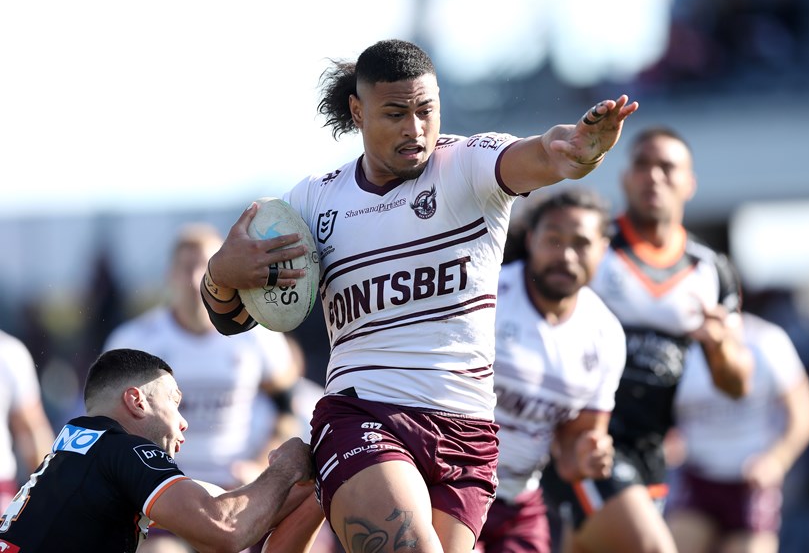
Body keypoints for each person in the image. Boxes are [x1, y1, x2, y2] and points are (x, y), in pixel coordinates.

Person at [200, 38, 638, 553]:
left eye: (426, 110)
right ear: (358, 112)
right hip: (364, 414)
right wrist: (220, 274)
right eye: (395, 114)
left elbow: (541, 154)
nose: (415, 129)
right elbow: (233, 318)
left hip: (468, 433)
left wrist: (570, 152)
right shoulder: (314, 201)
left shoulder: (468, 167)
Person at [541, 125, 754, 553]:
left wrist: (718, 347)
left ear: (689, 182)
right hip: (585, 440)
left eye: (667, 167)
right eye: (642, 164)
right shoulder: (591, 247)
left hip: (652, 447)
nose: (653, 176)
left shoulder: (712, 270)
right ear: (625, 177)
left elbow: (737, 385)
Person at [103, 223, 323, 552]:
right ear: (169, 275)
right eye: (186, 268)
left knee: (313, 497)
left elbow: (287, 409)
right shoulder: (134, 341)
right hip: (165, 493)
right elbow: (110, 428)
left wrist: (262, 463)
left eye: (205, 268)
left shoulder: (257, 336)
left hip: (239, 487)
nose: (194, 280)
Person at [0, 348, 317, 553]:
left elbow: (240, 511)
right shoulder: (123, 449)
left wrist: (318, 480)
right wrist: (287, 467)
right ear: (137, 401)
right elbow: (225, 529)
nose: (184, 423)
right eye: (176, 403)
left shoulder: (78, 450)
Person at [474, 188, 626, 553]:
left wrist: (591, 453)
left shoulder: (606, 335)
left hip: (518, 501)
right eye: (554, 240)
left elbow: (575, 454)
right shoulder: (486, 295)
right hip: (447, 486)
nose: (566, 256)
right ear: (531, 239)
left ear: (603, 249)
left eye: (581, 243)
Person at [665, 312, 809, 553]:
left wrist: (777, 460)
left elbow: (804, 411)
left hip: (750, 485)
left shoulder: (767, 341)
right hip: (697, 478)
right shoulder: (679, 345)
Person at [0, 329, 54, 512]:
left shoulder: (8, 351)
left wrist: (46, 495)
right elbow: (31, 431)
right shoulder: (8, 350)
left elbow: (31, 431)